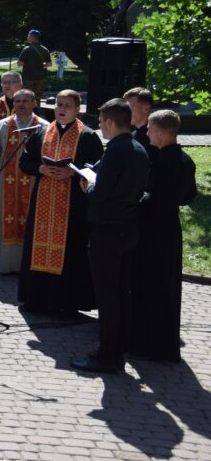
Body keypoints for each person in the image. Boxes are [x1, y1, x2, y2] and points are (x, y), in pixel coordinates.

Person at [72, 98, 149, 373]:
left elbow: (100, 193)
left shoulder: (116, 150)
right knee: (121, 293)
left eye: (101, 121)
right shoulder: (138, 147)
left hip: (108, 231)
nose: (100, 127)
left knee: (108, 296)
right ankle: (118, 348)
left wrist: (87, 185)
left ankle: (107, 355)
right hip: (128, 228)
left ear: (109, 121)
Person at [17, 90, 103, 314]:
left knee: (70, 251)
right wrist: (41, 168)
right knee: (38, 248)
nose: (62, 109)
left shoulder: (88, 136)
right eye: (59, 104)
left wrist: (72, 174)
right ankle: (36, 300)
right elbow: (24, 162)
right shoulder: (42, 132)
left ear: (77, 109)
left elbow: (96, 170)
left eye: (67, 105)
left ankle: (64, 304)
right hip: (43, 202)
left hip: (73, 205)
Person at [131, 110, 197, 361]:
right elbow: (189, 195)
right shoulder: (184, 159)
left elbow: (152, 199)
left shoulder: (161, 162)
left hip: (152, 231)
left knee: (150, 285)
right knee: (167, 286)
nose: (146, 133)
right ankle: (163, 343)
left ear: (159, 132)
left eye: (149, 129)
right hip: (170, 228)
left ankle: (148, 344)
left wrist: (133, 203)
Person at [0, 89, 47, 273]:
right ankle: (0, 262)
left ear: (34, 103)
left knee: (29, 221)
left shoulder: (43, 127)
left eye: (25, 101)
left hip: (34, 183)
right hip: (6, 184)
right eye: (17, 101)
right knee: (3, 222)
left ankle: (26, 264)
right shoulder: (3, 126)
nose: (20, 104)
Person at [17, 29, 50, 97]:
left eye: (28, 36)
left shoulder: (27, 49)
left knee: (26, 97)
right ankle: (36, 108)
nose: (27, 37)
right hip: (40, 78)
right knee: (37, 99)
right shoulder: (45, 49)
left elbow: (19, 64)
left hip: (28, 78)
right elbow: (49, 64)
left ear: (32, 37)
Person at [124, 87, 154, 153]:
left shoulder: (154, 138)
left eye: (130, 108)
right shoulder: (131, 135)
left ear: (146, 109)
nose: (126, 113)